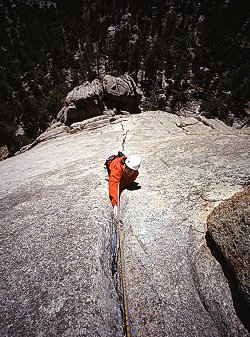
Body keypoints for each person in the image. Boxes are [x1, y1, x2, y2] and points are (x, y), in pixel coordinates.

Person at [108, 154, 141, 218]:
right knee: (112, 160)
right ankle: (116, 157)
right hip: (112, 161)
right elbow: (114, 184)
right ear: (125, 165)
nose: (129, 172)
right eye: (128, 169)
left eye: (132, 171)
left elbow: (123, 184)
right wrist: (115, 203)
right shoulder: (117, 167)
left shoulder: (135, 174)